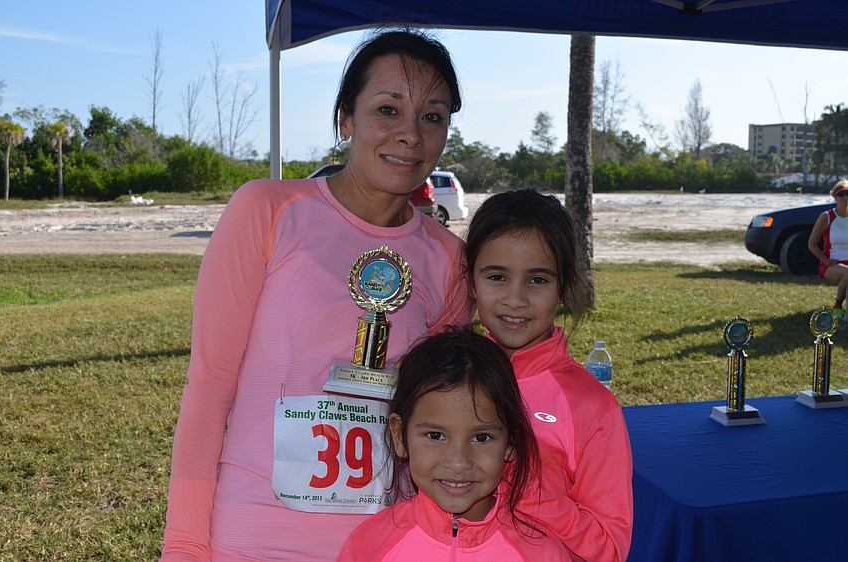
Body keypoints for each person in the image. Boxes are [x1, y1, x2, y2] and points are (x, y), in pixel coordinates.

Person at [159, 28, 473, 561]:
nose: (411, 136)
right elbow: (210, 383)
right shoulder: (267, 210)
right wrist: (186, 544)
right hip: (257, 531)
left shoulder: (448, 258)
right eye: (388, 109)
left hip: (392, 538)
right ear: (346, 117)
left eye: (433, 116)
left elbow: (444, 416)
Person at [463, 189, 634, 562]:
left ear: (563, 288)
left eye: (537, 280)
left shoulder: (591, 406)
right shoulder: (452, 381)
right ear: (471, 281)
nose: (516, 298)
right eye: (496, 276)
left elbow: (610, 548)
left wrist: (529, 494)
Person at [338, 330, 572, 561]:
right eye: (436, 435)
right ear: (400, 435)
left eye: (481, 438)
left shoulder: (541, 553)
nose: (458, 462)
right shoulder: (369, 546)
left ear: (511, 441)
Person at [808, 179, 848, 323]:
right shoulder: (827, 216)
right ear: (835, 197)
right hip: (831, 264)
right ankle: (838, 305)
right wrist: (826, 261)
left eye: (847, 194)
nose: (845, 198)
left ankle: (844, 318)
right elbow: (811, 244)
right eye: (841, 195)